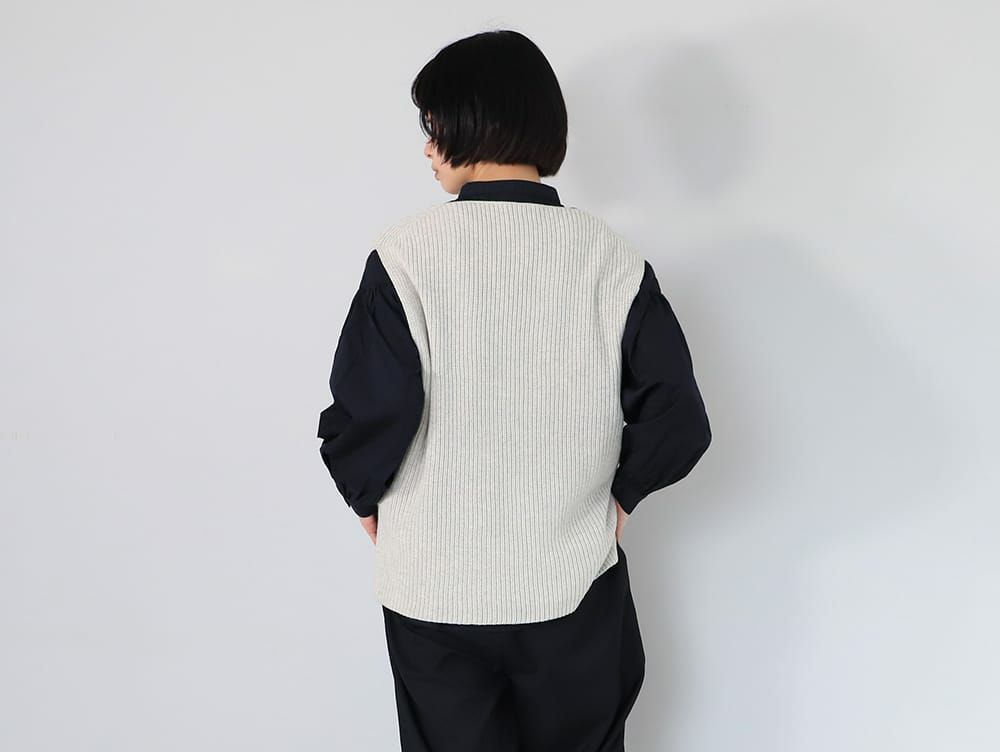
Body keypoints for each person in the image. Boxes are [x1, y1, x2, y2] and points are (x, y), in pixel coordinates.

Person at [317, 28, 712, 752]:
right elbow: (677, 416)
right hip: (571, 584)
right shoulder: (611, 259)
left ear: (469, 124)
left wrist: (365, 494)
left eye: (432, 127)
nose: (427, 148)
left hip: (432, 587)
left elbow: (373, 407)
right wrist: (620, 499)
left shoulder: (404, 257)